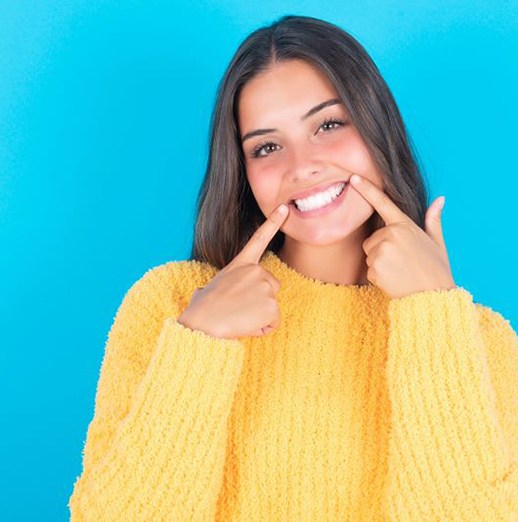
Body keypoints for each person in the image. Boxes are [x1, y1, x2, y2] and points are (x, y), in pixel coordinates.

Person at [68, 15, 518, 521]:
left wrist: (433, 319)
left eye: (328, 124)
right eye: (267, 147)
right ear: (243, 172)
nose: (301, 165)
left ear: (376, 128)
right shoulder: (172, 304)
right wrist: (199, 343)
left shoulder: (481, 340)